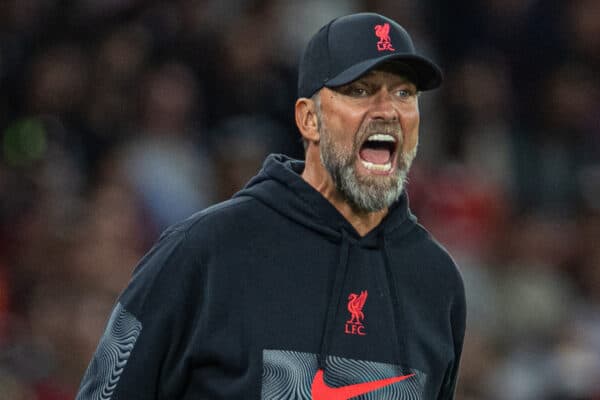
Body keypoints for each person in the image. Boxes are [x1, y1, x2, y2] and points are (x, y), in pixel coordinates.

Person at [76, 12, 465, 400]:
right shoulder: (203, 252)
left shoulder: (436, 282)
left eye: (404, 93)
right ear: (309, 119)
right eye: (361, 91)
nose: (387, 111)